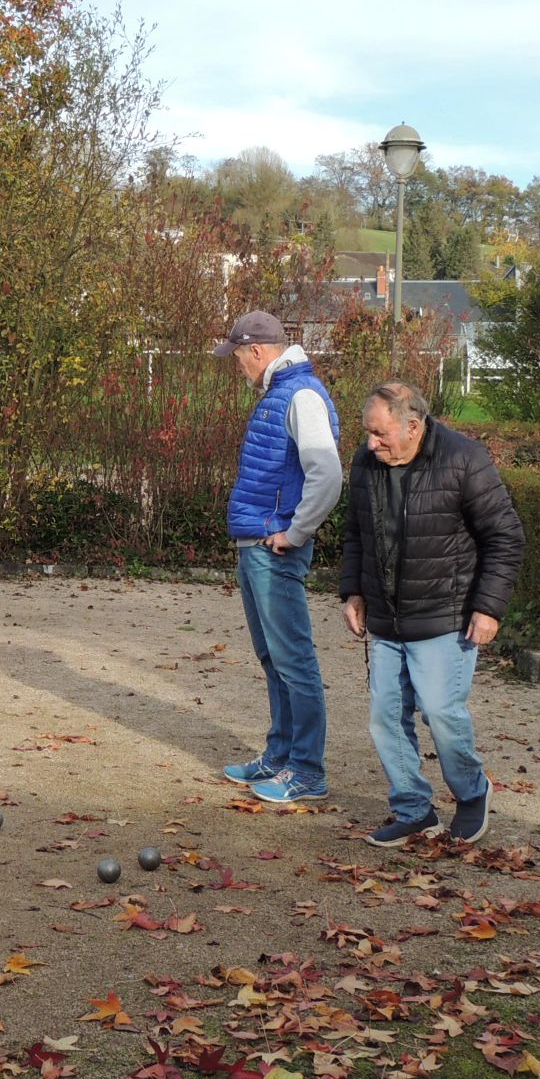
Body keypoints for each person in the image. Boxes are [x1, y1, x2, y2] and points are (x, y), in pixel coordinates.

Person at [340, 381, 525, 847]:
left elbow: (505, 538)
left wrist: (488, 607)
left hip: (446, 616)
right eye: (367, 433)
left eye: (380, 434)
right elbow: (356, 532)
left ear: (414, 426)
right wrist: (352, 591)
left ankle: (470, 793)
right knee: (386, 718)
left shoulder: (465, 459)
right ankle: (413, 810)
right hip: (385, 618)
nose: (370, 444)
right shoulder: (367, 463)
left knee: (442, 714)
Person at [216, 311, 342, 803]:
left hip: (274, 548)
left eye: (239, 358)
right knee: (274, 659)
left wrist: (296, 531)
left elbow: (327, 475)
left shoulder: (301, 395)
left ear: (258, 352)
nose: (239, 368)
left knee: (294, 660)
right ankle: (281, 756)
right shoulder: (283, 392)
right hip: (258, 545)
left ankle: (307, 770)